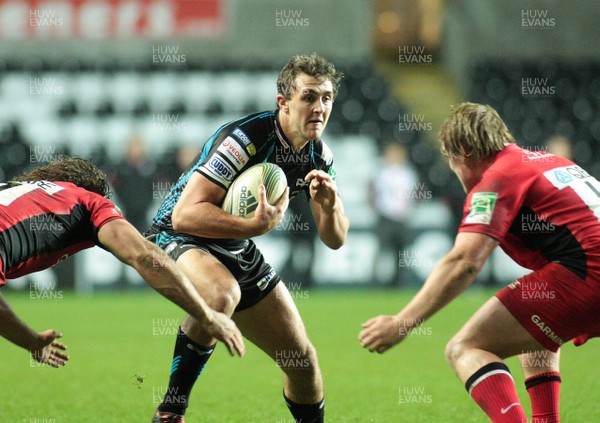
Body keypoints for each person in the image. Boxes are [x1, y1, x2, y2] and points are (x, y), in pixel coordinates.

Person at [359, 102, 600, 422]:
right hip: (585, 268)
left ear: (461, 151)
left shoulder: (498, 175)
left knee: (465, 348)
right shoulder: (549, 161)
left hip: (587, 272)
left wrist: (403, 322)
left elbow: (464, 262)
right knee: (532, 334)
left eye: (450, 160)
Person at [146, 53, 349, 423]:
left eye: (326, 97)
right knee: (221, 294)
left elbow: (334, 240)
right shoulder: (246, 139)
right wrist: (253, 228)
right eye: (308, 97)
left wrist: (331, 206)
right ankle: (171, 411)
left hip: (234, 245)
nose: (319, 107)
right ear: (283, 103)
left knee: (302, 363)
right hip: (176, 235)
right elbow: (185, 214)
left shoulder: (319, 155)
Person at [0, 156, 245, 369]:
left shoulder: (14, 189)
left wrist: (30, 341)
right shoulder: (89, 201)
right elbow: (144, 256)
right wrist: (207, 317)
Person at [369, 142, 419, 284]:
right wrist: (377, 208)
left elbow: (414, 193)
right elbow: (372, 191)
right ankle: (375, 281)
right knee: (382, 249)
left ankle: (397, 281)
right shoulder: (381, 172)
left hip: (402, 218)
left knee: (401, 252)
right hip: (385, 217)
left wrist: (410, 209)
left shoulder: (408, 173)